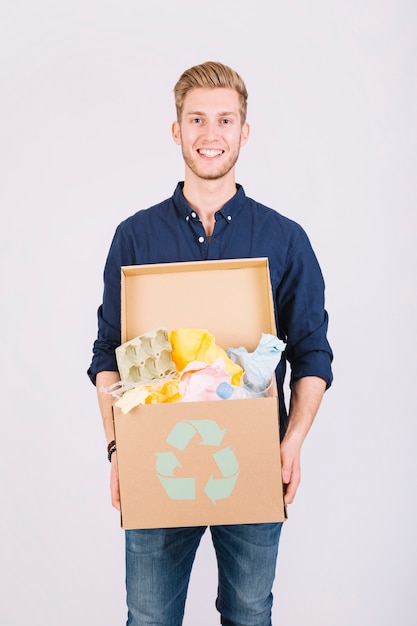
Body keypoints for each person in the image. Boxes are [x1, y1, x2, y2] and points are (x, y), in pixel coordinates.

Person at [88, 61, 333, 626]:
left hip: (253, 460)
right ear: (177, 130)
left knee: (249, 613)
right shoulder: (136, 236)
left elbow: (313, 353)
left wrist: (292, 441)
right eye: (196, 120)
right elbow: (107, 354)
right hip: (158, 455)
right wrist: (118, 448)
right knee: (148, 616)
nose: (210, 134)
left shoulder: (284, 238)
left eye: (225, 120)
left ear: (244, 131)